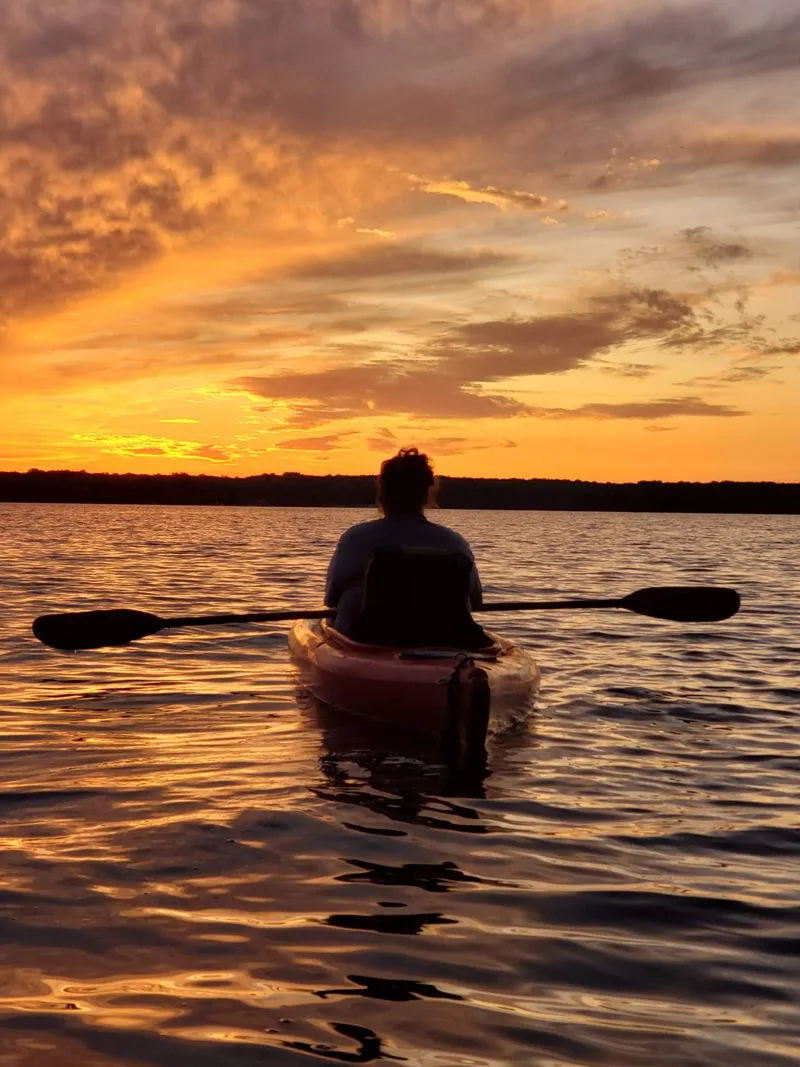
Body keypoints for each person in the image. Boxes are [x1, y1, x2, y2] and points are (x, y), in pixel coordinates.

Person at [325, 448, 483, 638]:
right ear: (426, 494)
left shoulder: (356, 538)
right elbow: (475, 601)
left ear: (382, 493)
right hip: (444, 638)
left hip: (370, 637)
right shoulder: (454, 543)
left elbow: (332, 598)